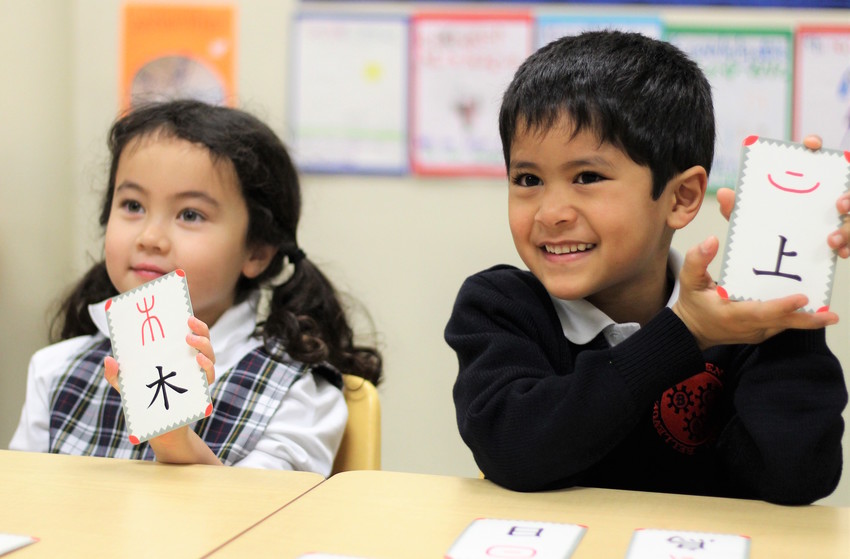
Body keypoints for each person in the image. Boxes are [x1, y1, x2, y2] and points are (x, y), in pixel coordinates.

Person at [445, 31, 848, 505]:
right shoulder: (499, 307)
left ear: (681, 198)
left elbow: (794, 478)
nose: (550, 212)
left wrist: (788, 299)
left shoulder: (735, 326)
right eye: (528, 179)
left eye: (587, 177)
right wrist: (682, 334)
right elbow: (516, 450)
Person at [10, 99, 382, 474]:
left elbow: (263, 524)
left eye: (190, 214)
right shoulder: (55, 370)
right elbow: (24, 510)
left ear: (257, 251)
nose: (150, 237)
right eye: (133, 205)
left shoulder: (297, 391)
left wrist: (175, 440)